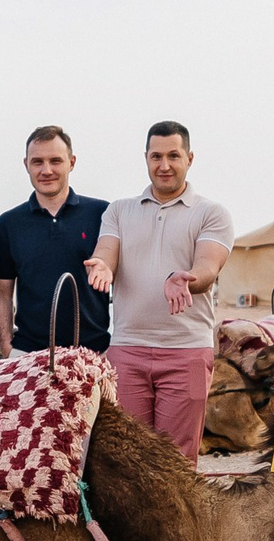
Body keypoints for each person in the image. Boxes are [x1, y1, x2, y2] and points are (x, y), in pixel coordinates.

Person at [85, 122, 233, 458]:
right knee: (126, 457)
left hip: (185, 352)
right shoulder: (119, 210)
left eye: (173, 156)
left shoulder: (211, 213)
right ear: (146, 158)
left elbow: (208, 266)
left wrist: (188, 278)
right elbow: (107, 248)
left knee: (175, 461)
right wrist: (102, 264)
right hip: (127, 349)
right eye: (156, 156)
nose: (164, 165)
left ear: (189, 158)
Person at [0, 126, 109, 356]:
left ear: (72, 162)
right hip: (27, 354)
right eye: (38, 162)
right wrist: (7, 348)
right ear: (26, 164)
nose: (47, 170)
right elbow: (3, 292)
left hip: (94, 352)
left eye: (55, 161)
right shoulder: (9, 223)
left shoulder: (102, 214)